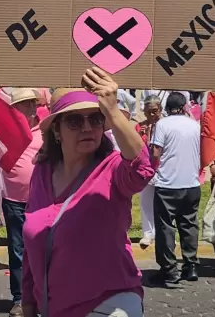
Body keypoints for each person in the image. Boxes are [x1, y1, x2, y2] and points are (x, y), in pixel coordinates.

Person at [21, 75, 153, 317]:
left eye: (95, 119)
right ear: (57, 130)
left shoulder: (112, 169)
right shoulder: (42, 172)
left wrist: (112, 110)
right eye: (74, 120)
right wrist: (28, 302)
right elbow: (33, 245)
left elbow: (141, 168)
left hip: (108, 304)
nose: (87, 128)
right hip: (52, 309)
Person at [0, 89, 45, 316]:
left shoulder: (45, 132)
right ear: (14, 108)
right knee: (17, 252)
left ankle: (42, 297)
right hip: (13, 200)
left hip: (41, 201)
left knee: (42, 251)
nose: (31, 107)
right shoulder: (5, 131)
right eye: (26, 103)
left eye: (33, 103)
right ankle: (19, 299)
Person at [149, 92, 202, 285]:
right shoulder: (194, 125)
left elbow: (156, 152)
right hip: (191, 182)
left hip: (168, 183)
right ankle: (191, 264)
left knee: (165, 227)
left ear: (167, 107)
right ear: (184, 106)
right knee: (189, 225)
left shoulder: (162, 125)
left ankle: (169, 269)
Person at [137, 95, 162, 249]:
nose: (151, 114)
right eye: (148, 112)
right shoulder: (139, 127)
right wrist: (139, 136)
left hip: (162, 169)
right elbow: (132, 147)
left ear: (160, 110)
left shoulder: (165, 126)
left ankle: (161, 233)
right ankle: (148, 233)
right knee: (145, 202)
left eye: (154, 111)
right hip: (144, 169)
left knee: (162, 204)